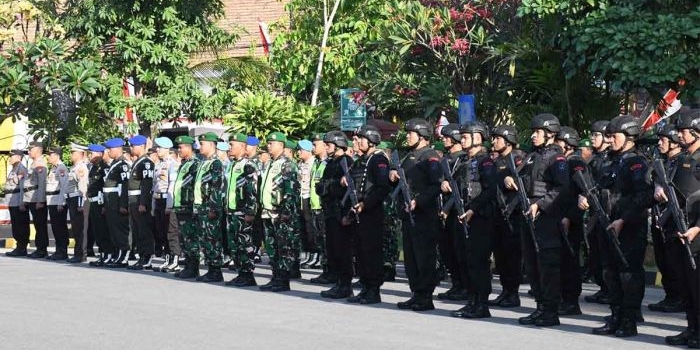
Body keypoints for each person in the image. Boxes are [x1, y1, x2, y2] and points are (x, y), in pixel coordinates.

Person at [583, 115, 652, 337]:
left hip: (628, 228)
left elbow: (643, 196)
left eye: (615, 136)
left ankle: (629, 321)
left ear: (630, 137)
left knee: (628, 275)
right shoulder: (610, 161)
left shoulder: (637, 163)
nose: (610, 140)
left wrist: (624, 219)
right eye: (609, 136)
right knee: (609, 273)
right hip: (607, 224)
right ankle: (615, 317)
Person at [505, 113, 569, 327]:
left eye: (537, 132)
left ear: (550, 134)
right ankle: (540, 307)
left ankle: (550, 311)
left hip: (546, 219)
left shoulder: (556, 158)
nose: (533, 135)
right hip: (527, 216)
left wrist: (540, 205)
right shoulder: (532, 156)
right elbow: (519, 175)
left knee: (547, 265)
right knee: (532, 265)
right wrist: (509, 179)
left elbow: (561, 188)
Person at [390, 118, 442, 312]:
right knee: (411, 258)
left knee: (424, 257)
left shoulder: (430, 157)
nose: (408, 136)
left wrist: (419, 201)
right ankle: (416, 293)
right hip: (407, 214)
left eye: (411, 133)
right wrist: (393, 175)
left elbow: (436, 185)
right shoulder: (409, 156)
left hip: (423, 215)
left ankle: (425, 296)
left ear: (421, 135)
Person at [657, 112, 700, 347]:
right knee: (685, 284)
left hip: (695, 231)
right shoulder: (682, 158)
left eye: (684, 132)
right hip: (678, 228)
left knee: (697, 285)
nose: (680, 136)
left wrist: (698, 228)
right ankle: (691, 328)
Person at [450, 121, 496, 319]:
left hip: (480, 218)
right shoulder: (462, 161)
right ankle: (472, 300)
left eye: (466, 136)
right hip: (463, 216)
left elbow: (489, 190)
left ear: (477, 138)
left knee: (478, 262)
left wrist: (473, 209)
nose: (462, 139)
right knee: (466, 260)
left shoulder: (485, 162)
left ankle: (481, 304)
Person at [343, 125, 391, 304]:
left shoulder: (378, 159)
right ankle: (365, 287)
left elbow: (382, 187)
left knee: (371, 253)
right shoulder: (361, 160)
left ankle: (373, 289)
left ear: (371, 140)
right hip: (358, 212)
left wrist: (366, 204)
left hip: (371, 212)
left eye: (360, 139)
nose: (356, 142)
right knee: (361, 253)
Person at [648, 124, 686, 313]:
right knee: (663, 260)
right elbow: (652, 183)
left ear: (674, 142)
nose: (660, 143)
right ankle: (671, 295)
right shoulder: (661, 163)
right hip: (660, 219)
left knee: (676, 262)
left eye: (663, 140)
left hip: (676, 219)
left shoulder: (683, 162)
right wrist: (655, 186)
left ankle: (680, 297)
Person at [259, 132, 300, 292]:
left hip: (281, 213)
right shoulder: (270, 163)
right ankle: (275, 276)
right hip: (268, 212)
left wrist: (286, 212)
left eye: (271, 143)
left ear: (281, 146)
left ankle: (283, 280)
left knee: (284, 248)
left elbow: (291, 191)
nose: (268, 146)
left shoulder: (287, 164)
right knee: (272, 247)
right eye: (268, 143)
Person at [487, 125, 523, 308]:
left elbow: (523, 182)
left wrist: (511, 180)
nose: (494, 141)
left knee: (511, 256)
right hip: (497, 214)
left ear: (508, 140)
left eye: (498, 138)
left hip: (512, 214)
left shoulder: (518, 158)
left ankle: (513, 293)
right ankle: (505, 291)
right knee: (500, 256)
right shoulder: (497, 160)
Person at [554, 126, 586, 316]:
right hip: (560, 218)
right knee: (562, 262)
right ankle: (563, 298)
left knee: (570, 263)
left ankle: (571, 301)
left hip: (572, 221)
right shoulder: (563, 162)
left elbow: (583, 194)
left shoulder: (576, 163)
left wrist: (569, 216)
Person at [436, 124, 469, 301]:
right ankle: (456, 284)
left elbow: (460, 189)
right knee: (447, 251)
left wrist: (447, 208)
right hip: (442, 211)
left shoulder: (463, 160)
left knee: (459, 251)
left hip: (456, 211)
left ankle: (464, 285)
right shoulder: (445, 159)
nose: (443, 139)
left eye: (447, 136)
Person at [313, 131, 350, 286]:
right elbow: (321, 185)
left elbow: (346, 187)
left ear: (338, 145)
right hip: (329, 210)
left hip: (340, 211)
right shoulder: (330, 163)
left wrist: (329, 186)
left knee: (341, 248)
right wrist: (327, 187)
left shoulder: (345, 162)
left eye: (329, 145)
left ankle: (343, 282)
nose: (326, 148)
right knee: (332, 247)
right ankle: (334, 277)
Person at [223, 132, 259, 287]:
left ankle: (248, 274)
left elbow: (252, 190)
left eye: (232, 145)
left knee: (244, 244)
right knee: (234, 245)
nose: (229, 147)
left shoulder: (248, 165)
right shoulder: (233, 164)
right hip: (231, 211)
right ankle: (240, 273)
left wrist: (250, 211)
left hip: (243, 212)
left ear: (242, 147)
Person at [584, 120, 612, 305]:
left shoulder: (611, 159)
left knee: (607, 255)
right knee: (594, 253)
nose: (593, 138)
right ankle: (603, 288)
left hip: (607, 212)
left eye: (596, 135)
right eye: (592, 135)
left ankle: (610, 290)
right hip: (593, 211)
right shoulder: (594, 159)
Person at [192, 132, 225, 282]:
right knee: (205, 240)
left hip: (209, 208)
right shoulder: (203, 162)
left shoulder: (215, 163)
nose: (200, 146)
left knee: (212, 240)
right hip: (201, 207)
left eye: (203, 143)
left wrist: (213, 208)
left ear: (211, 145)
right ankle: (210, 269)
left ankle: (215, 271)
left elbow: (216, 188)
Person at [172, 136, 202, 279]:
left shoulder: (195, 164)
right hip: (181, 207)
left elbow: (195, 186)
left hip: (189, 207)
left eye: (181, 147)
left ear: (190, 148)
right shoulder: (184, 164)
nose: (179, 150)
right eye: (178, 147)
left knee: (191, 239)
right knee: (184, 239)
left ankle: (193, 268)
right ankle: (188, 266)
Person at [151, 137, 181, 272]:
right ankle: (167, 259)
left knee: (171, 231)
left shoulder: (172, 164)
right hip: (158, 200)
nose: (157, 150)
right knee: (161, 232)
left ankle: (175, 260)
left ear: (167, 149)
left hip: (167, 201)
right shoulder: (158, 165)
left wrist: (169, 205)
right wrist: (153, 205)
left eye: (159, 148)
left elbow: (172, 186)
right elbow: (155, 186)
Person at [126, 135, 155, 270]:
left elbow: (146, 184)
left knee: (144, 230)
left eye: (133, 146)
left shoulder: (146, 163)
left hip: (140, 200)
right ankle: (142, 256)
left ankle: (147, 257)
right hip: (133, 199)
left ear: (141, 146)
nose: (131, 148)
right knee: (137, 230)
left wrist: (143, 203)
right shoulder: (138, 162)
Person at [103, 138, 132, 268]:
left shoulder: (123, 165)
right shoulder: (114, 164)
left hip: (117, 203)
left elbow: (125, 185)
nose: (108, 152)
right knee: (113, 230)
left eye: (110, 149)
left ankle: (124, 255)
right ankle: (118, 254)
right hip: (111, 202)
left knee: (120, 230)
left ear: (118, 149)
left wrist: (123, 204)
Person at [87, 144, 112, 266]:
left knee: (103, 230)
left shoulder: (104, 168)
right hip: (93, 202)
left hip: (100, 202)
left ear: (100, 154)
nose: (90, 156)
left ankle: (107, 254)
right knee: (97, 230)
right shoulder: (93, 168)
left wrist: (104, 206)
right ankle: (102, 254)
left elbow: (105, 187)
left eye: (92, 153)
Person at [24, 141, 49, 258]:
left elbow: (42, 183)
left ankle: (42, 249)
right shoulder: (33, 163)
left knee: (40, 225)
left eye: (31, 149)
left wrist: (40, 200)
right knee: (37, 225)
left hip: (37, 199)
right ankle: (40, 248)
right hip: (31, 198)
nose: (28, 151)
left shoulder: (41, 164)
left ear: (38, 150)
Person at [66, 143, 90, 263]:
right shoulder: (74, 167)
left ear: (80, 154)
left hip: (78, 200)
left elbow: (82, 187)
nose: (71, 155)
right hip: (72, 199)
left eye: (73, 153)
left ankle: (81, 254)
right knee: (76, 228)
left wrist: (81, 204)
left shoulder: (81, 168)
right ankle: (77, 253)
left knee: (80, 228)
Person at [4, 149, 30, 257]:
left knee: (21, 225)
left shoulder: (21, 169)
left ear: (19, 157)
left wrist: (22, 202)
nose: (10, 158)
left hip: (18, 201)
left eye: (12, 156)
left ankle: (22, 248)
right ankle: (18, 247)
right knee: (15, 225)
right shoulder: (13, 169)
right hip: (12, 201)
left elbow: (23, 187)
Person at [46, 146, 70, 261]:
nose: (48, 157)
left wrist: (61, 202)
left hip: (57, 202)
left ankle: (62, 251)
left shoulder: (61, 168)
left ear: (56, 155)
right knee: (55, 227)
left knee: (60, 227)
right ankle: (58, 250)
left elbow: (64, 186)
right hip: (52, 201)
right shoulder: (53, 168)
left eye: (50, 155)